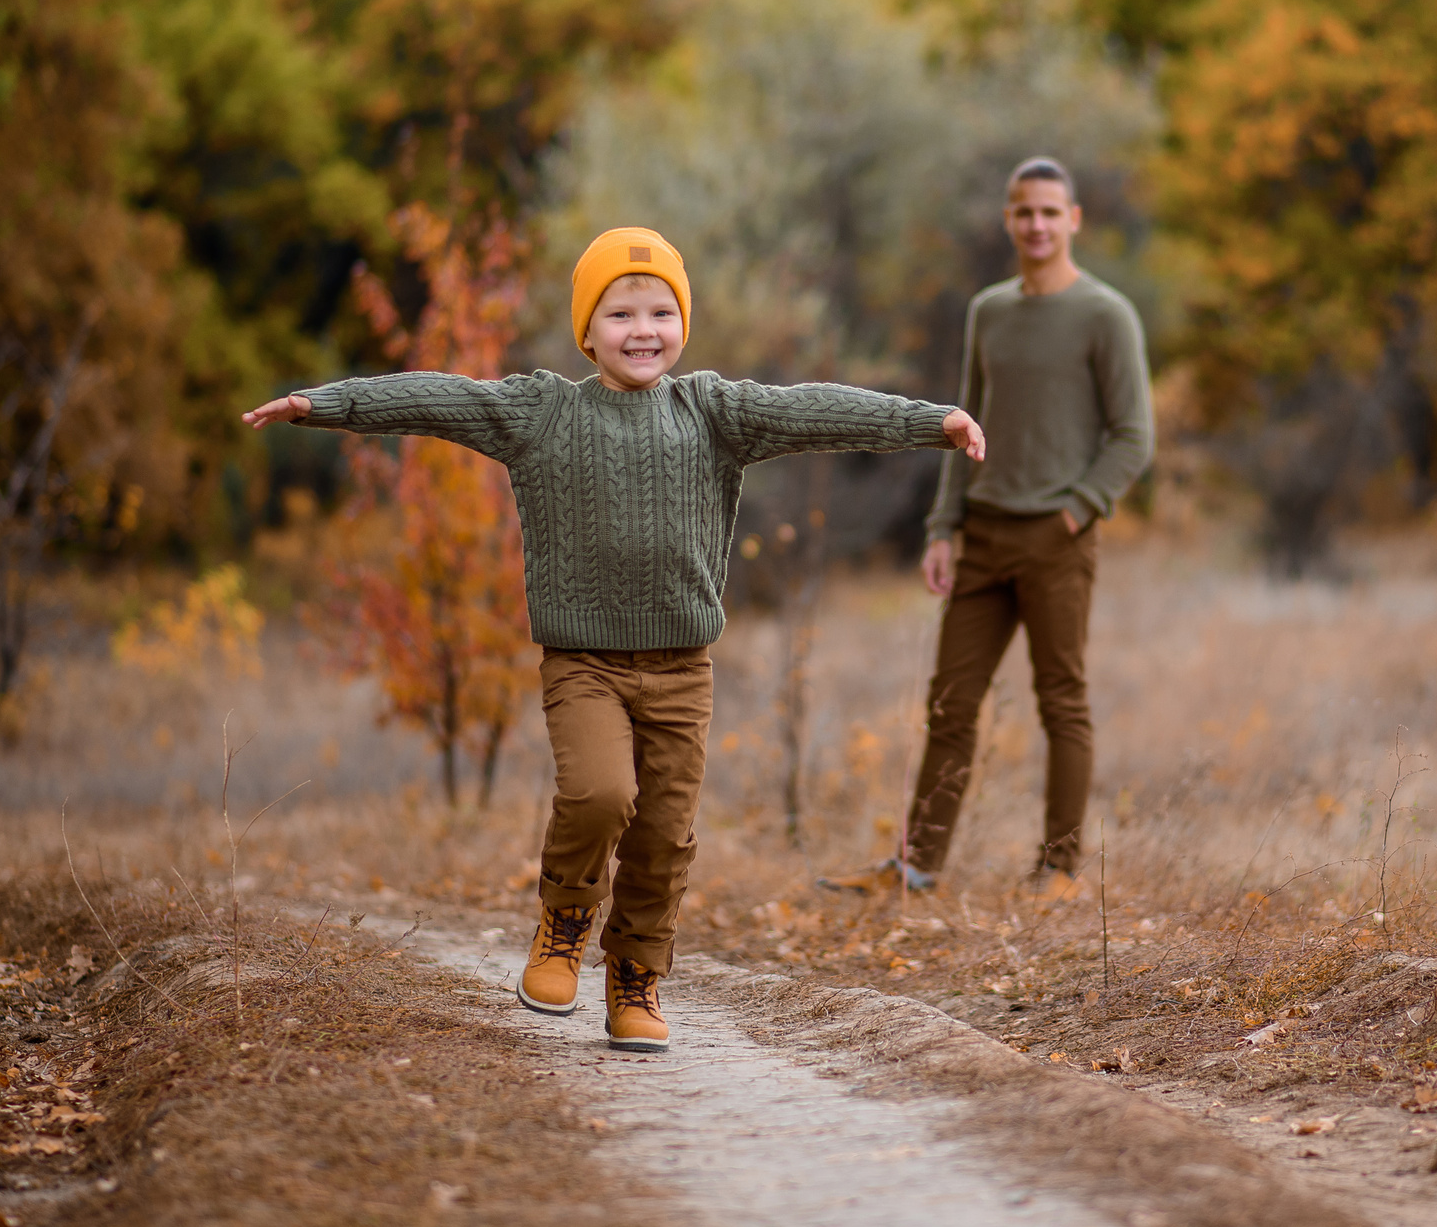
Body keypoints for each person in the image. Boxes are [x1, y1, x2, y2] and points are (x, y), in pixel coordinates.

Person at [244, 227, 983, 1052]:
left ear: (683, 324)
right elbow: (435, 397)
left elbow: (817, 407)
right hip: (584, 662)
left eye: (662, 311)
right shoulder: (542, 411)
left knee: (664, 835)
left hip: (682, 667)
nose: (644, 329)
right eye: (620, 311)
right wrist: (327, 403)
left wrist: (933, 420)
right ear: (586, 330)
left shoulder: (714, 411)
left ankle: (635, 977)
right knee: (600, 794)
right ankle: (563, 922)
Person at [824, 158, 1152, 897]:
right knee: (950, 703)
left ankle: (1059, 870)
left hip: (1057, 541)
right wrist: (943, 527)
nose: (1035, 224)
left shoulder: (1106, 314)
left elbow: (1134, 435)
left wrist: (1076, 509)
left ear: (1073, 219)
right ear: (1008, 220)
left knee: (1060, 701)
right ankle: (915, 868)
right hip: (984, 537)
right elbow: (961, 428)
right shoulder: (989, 311)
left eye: (1049, 211)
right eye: (1022, 211)